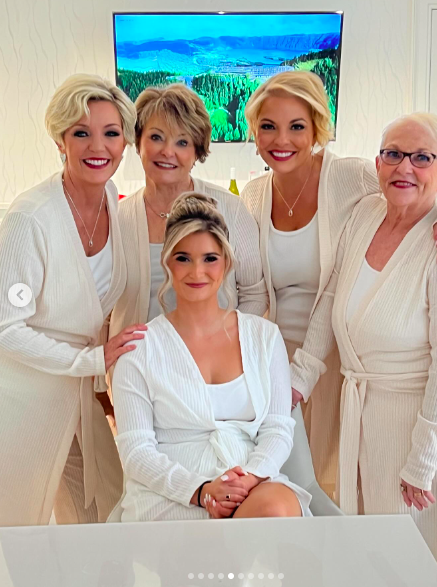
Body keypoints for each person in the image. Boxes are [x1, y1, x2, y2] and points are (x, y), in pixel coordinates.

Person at [241, 70, 437, 499]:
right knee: (284, 482)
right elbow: (253, 287)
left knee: (329, 484)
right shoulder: (254, 195)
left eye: (296, 126)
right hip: (282, 361)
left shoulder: (352, 178)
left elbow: (423, 187)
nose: (281, 139)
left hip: (339, 359)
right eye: (268, 126)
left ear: (316, 130)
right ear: (253, 132)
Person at [291, 113, 437, 587]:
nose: (404, 167)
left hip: (415, 424)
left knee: (414, 559)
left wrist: (423, 460)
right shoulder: (366, 212)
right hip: (361, 412)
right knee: (368, 553)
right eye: (393, 154)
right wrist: (302, 374)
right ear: (378, 161)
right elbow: (331, 296)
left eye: (422, 157)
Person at [109, 193, 311, 522]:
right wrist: (202, 490)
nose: (197, 272)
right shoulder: (139, 348)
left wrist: (249, 478)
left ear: (226, 262)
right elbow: (136, 451)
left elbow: (277, 428)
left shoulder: (264, 337)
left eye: (210, 258)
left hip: (249, 483)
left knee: (276, 509)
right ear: (167, 262)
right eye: (184, 258)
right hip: (171, 490)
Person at [0, 74, 147, 526]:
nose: (96, 146)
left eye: (110, 133)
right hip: (26, 397)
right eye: (80, 133)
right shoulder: (31, 218)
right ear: (60, 141)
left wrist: (102, 381)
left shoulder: (111, 200)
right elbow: (7, 328)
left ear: (125, 144)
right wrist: (92, 360)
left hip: (81, 397)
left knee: (103, 510)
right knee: (21, 520)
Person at [109, 84, 267, 348]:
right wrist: (104, 378)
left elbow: (255, 292)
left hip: (212, 371)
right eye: (156, 137)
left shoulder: (231, 210)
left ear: (197, 152)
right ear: (138, 144)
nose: (167, 152)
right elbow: (103, 305)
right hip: (136, 370)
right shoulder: (116, 218)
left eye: (182, 141)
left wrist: (222, 343)